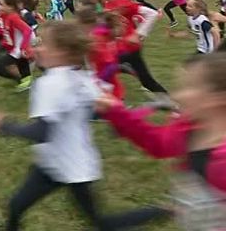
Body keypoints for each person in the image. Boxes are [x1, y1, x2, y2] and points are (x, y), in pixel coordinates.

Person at [0, 21, 160, 231]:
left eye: (43, 44)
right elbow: (103, 110)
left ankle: (165, 211)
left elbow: (42, 132)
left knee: (101, 224)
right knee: (15, 207)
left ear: (63, 52)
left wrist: (3, 126)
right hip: (59, 163)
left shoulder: (50, 84)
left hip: (71, 168)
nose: (36, 48)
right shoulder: (82, 78)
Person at [96, 52, 226, 228]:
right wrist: (117, 112)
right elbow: (158, 144)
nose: (177, 95)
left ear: (218, 98)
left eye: (190, 87)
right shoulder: (187, 128)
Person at [103, 0, 169, 98]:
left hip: (129, 48)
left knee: (103, 72)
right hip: (119, 47)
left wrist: (138, 34)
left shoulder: (124, 3)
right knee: (146, 81)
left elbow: (152, 14)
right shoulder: (108, 3)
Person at [76, 0, 124, 100]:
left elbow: (110, 65)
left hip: (107, 90)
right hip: (103, 88)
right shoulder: (97, 34)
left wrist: (97, 81)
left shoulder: (97, 38)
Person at [0, 0, 33, 92]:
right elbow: (5, 31)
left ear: (11, 7)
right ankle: (25, 82)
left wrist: (23, 47)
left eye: (1, 4)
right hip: (12, 48)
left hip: (17, 50)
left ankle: (23, 81)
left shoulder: (14, 17)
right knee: (23, 67)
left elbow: (27, 30)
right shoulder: (5, 16)